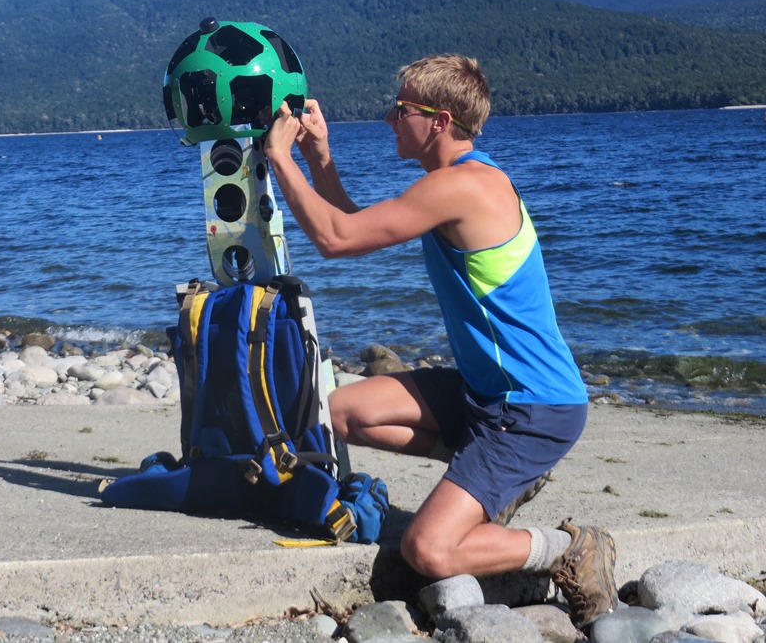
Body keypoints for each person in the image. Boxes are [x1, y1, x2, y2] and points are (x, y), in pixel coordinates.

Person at [264, 54, 617, 630]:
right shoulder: (451, 183)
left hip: (531, 407)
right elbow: (356, 222)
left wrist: (277, 154)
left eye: (400, 108)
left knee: (427, 551)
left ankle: (567, 547)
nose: (388, 119)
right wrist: (315, 155)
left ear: (439, 120)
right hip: (487, 395)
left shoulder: (465, 187)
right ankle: (490, 478)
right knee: (341, 413)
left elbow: (334, 238)